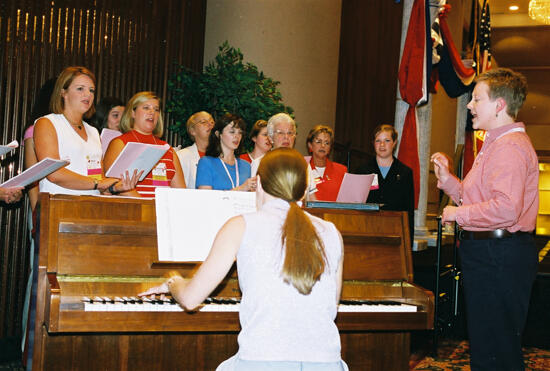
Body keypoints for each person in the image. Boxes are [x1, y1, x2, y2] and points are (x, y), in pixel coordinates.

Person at [139, 148, 347, 371]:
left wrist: (173, 281)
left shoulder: (240, 226)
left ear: (258, 182)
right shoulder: (332, 232)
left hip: (263, 361)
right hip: (328, 363)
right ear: (305, 189)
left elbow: (190, 299)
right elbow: (331, 305)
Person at [431, 68, 538, 371]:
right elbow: (477, 198)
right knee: (488, 347)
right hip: (492, 255)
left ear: (499, 106)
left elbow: (505, 209)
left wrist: (455, 214)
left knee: (497, 351)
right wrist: (449, 180)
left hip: (499, 256)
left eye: (477, 98)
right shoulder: (495, 143)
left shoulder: (510, 148)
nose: (469, 105)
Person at [34, 66, 139, 196]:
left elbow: (98, 177)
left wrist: (115, 187)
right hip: (58, 206)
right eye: (80, 89)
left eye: (91, 90)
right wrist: (98, 183)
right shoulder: (47, 123)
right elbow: (53, 174)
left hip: (91, 207)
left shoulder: (93, 131)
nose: (88, 94)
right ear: (63, 92)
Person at [104, 91, 186, 197]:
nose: (152, 112)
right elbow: (112, 184)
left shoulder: (167, 149)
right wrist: (147, 208)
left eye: (156, 109)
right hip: (134, 211)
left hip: (162, 211)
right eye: (146, 108)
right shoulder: (119, 143)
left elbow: (180, 193)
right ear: (133, 113)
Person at [356, 124, 414, 243]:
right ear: (373, 143)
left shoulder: (405, 173)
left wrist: (408, 242)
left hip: (394, 231)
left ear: (394, 143)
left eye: (387, 140)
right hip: (368, 230)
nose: (382, 145)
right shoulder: (362, 170)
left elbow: (409, 210)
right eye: (378, 141)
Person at [196, 113, 255, 191]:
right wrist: (241, 188)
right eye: (232, 132)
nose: (237, 136)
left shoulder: (246, 166)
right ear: (218, 134)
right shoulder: (206, 162)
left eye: (240, 133)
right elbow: (206, 199)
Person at [267, 112, 317, 199]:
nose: (286, 137)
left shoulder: (303, 164)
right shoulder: (260, 163)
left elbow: (312, 198)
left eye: (290, 133)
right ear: (270, 138)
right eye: (280, 133)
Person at [306, 125, 347, 201]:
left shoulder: (341, 170)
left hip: (333, 212)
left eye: (327, 143)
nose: (323, 146)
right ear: (310, 145)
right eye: (318, 142)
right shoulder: (303, 168)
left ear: (330, 147)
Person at [176, 111, 214, 188]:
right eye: (203, 122)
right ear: (192, 131)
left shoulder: (222, 156)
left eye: (212, 122)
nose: (210, 124)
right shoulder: (182, 156)